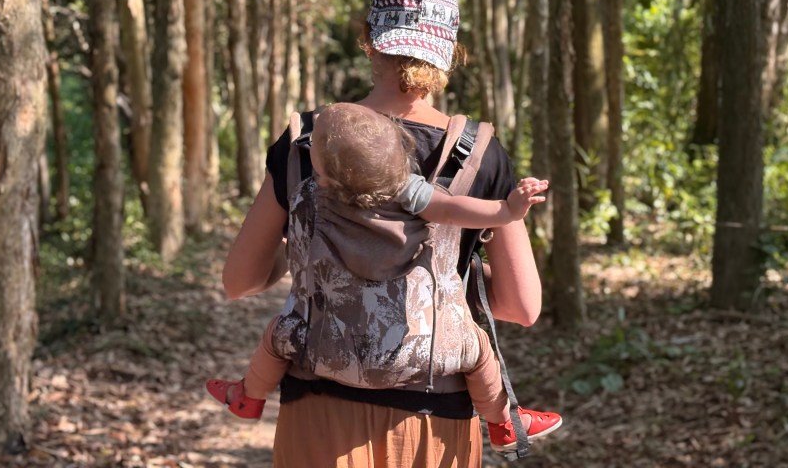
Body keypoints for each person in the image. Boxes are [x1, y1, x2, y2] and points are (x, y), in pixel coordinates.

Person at [222, 0, 550, 466]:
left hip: (318, 410)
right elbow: (521, 307)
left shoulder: (306, 144)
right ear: (449, 54)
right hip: (436, 418)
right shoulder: (480, 156)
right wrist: (454, 273)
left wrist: (304, 252)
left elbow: (239, 280)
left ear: (370, 42)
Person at [207, 102, 561, 453]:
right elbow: (519, 304)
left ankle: (248, 397)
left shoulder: (314, 192)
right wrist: (507, 210)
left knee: (277, 335)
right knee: (479, 348)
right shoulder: (421, 185)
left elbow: (239, 282)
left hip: (321, 384)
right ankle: (504, 422)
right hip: (430, 394)